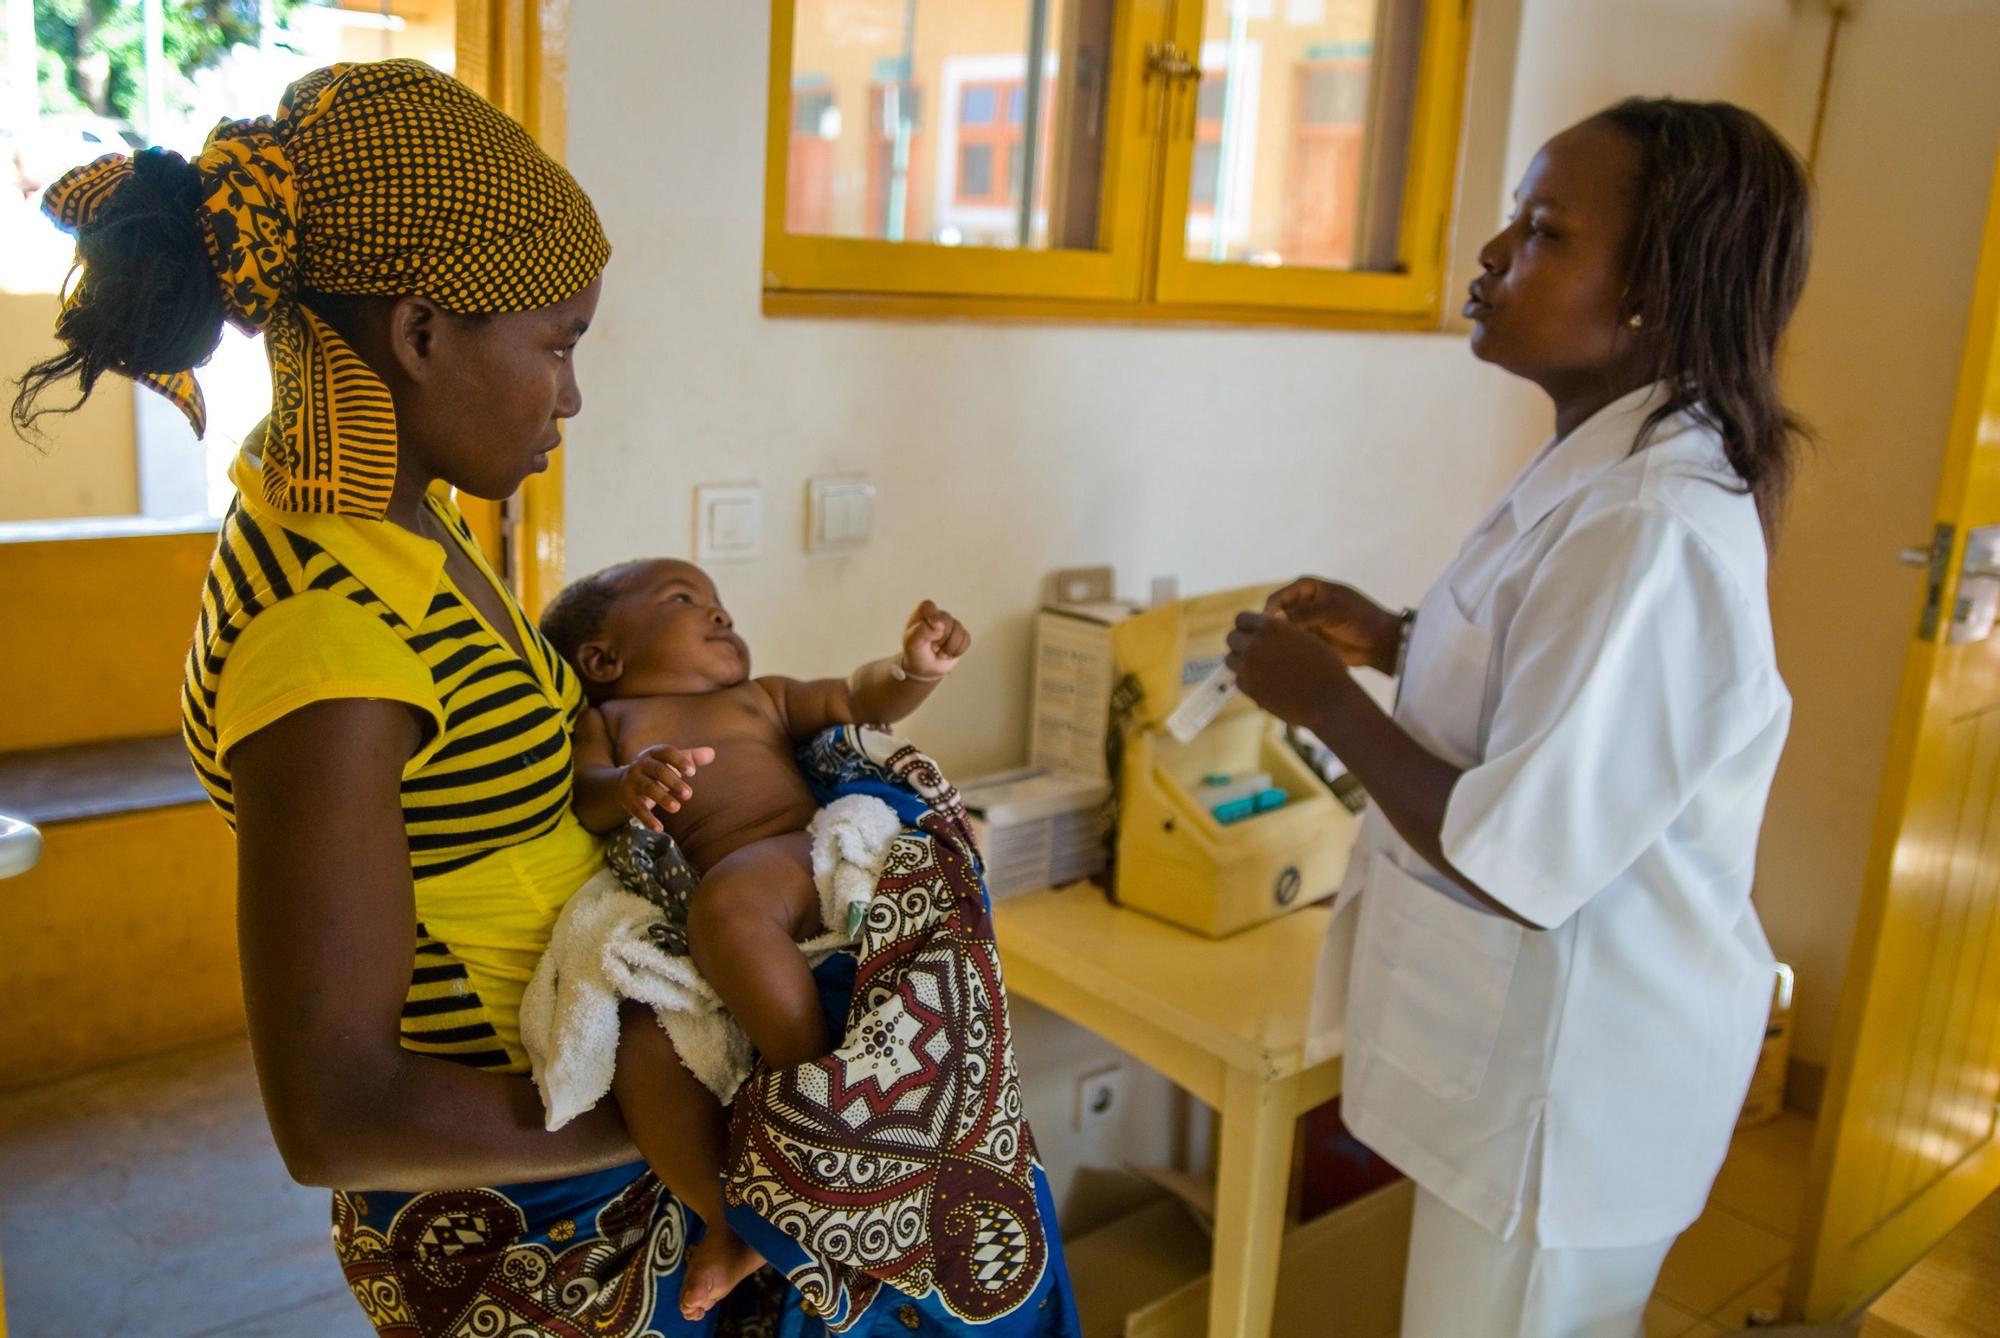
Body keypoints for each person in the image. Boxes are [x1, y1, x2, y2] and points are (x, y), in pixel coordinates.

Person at [10, 58, 1075, 1337]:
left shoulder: (399, 536)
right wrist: (713, 1121)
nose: (570, 393)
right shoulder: (326, 645)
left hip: (629, 1074)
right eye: (557, 345)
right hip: (562, 1198)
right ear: (418, 335)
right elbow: (335, 1111)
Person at [1225, 98, 1812, 1336]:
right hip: (1525, 1057)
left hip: (1577, 1087)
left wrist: (1322, 700)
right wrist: (1391, 640)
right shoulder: (1598, 467)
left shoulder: (1649, 525)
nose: (1492, 256)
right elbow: (1549, 692)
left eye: (1541, 232)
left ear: (1652, 287)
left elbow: (1517, 856)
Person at [535, 557, 971, 1317]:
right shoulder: (610, 725)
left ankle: (821, 1107)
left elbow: (857, 697)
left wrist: (913, 669)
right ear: (604, 659)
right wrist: (629, 782)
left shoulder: (760, 697)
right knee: (638, 1038)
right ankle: (734, 1216)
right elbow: (588, 795)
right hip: (700, 916)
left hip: (792, 861)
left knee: (729, 908)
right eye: (684, 600)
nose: (719, 613)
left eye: (719, 602)